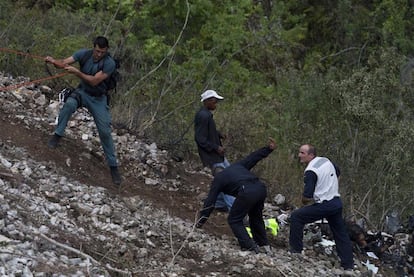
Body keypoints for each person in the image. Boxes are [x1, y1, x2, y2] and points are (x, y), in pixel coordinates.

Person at [45, 36, 121, 185]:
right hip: (83, 93)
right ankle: (57, 135)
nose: (99, 54)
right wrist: (53, 61)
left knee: (105, 131)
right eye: (97, 51)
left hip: (98, 99)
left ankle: (113, 167)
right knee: (69, 105)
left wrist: (76, 72)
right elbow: (64, 62)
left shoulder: (109, 63)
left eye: (102, 52)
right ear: (94, 48)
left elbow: (94, 80)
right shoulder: (83, 54)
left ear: (106, 51)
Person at [196, 138, 276, 254]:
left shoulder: (218, 179)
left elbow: (210, 202)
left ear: (214, 174)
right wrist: (268, 149)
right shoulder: (237, 166)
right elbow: (253, 158)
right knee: (256, 217)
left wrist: (200, 221)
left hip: (247, 192)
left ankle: (249, 246)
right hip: (260, 188)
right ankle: (263, 245)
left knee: (234, 219)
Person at [289, 144, 354, 270]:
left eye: (302, 153)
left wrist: (303, 201)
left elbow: (307, 196)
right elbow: (338, 172)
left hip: (324, 204)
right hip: (336, 202)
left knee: (297, 217)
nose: (299, 156)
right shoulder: (325, 160)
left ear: (311, 155)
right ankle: (348, 264)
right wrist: (330, 186)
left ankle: (296, 251)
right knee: (340, 233)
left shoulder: (310, 171)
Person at [194, 89, 234, 211]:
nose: (216, 104)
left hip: (216, 156)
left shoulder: (206, 114)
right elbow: (200, 138)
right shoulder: (204, 116)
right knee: (226, 180)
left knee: (230, 176)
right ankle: (234, 208)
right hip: (212, 156)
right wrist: (216, 147)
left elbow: (207, 132)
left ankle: (218, 203)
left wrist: (219, 135)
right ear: (207, 101)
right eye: (214, 101)